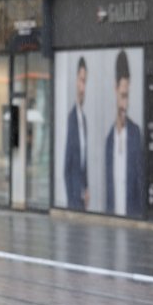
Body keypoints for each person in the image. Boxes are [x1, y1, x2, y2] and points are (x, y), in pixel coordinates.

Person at [105, 50, 144, 218]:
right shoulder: (109, 140)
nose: (125, 104)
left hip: (132, 218)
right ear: (115, 89)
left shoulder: (135, 133)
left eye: (127, 97)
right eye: (122, 96)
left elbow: (140, 183)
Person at [64, 57, 89, 211]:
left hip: (82, 196)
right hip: (74, 198)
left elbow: (83, 161)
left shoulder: (83, 119)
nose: (82, 87)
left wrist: (85, 188)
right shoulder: (71, 118)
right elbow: (67, 165)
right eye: (81, 81)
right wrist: (71, 198)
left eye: (85, 82)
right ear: (75, 81)